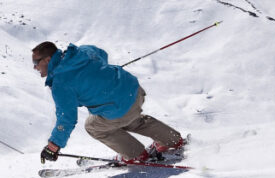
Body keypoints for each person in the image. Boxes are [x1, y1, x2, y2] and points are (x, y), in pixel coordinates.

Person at [32, 41, 184, 163]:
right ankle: (172, 139)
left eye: (36, 62)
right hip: (134, 90)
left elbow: (67, 118)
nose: (35, 67)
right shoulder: (82, 51)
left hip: (118, 108)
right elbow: (102, 54)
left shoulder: (61, 83)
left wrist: (54, 145)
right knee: (131, 119)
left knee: (93, 126)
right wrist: (98, 74)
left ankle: (136, 154)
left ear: (48, 59)